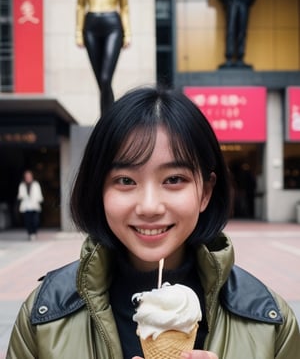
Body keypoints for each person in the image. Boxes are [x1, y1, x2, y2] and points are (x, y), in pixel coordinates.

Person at [7, 87, 299, 359]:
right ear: (99, 190)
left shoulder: (270, 322)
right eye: (125, 180)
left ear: (205, 192)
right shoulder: (43, 317)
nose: (149, 207)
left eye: (174, 180)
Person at [76, 0, 131, 115]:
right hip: (90, 25)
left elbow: (124, 6)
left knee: (106, 78)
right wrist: (78, 32)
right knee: (100, 80)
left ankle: (107, 119)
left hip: (112, 25)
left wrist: (127, 33)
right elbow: (79, 6)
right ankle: (108, 119)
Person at [17, 170, 43, 241]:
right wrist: (22, 196)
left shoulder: (35, 184)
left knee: (35, 221)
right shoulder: (22, 185)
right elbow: (20, 195)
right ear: (25, 177)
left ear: (31, 177)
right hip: (26, 206)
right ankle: (30, 234)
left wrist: (39, 200)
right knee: (27, 221)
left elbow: (39, 194)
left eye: (29, 176)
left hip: (34, 206)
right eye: (26, 176)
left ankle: (34, 232)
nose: (28, 178)